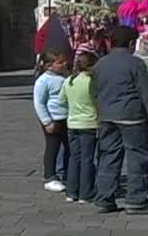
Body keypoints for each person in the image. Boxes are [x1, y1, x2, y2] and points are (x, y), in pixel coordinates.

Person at [90, 26, 148, 215]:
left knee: (108, 156)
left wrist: (100, 111)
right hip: (131, 116)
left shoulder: (100, 64)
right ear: (131, 44)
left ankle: (104, 198)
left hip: (106, 117)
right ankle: (136, 200)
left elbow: (93, 91)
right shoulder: (135, 64)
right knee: (137, 157)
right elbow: (147, 92)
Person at [60, 52, 99, 204]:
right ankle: (86, 192)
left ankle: (71, 192)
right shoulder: (91, 81)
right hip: (89, 123)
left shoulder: (69, 80)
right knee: (87, 159)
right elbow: (97, 100)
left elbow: (61, 100)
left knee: (74, 158)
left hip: (72, 123)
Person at [33, 49, 69, 192]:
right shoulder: (43, 81)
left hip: (67, 118)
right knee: (52, 148)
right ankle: (50, 177)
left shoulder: (64, 77)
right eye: (60, 62)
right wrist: (46, 121)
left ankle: (67, 173)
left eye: (64, 61)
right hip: (53, 119)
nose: (64, 64)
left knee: (69, 148)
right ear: (48, 65)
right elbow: (39, 102)